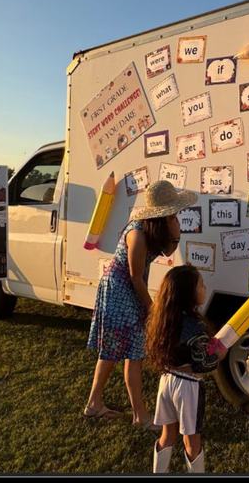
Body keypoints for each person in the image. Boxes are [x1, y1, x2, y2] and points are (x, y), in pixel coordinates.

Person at [83, 180, 197, 431]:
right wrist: (152, 308)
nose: (176, 216)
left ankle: (94, 404)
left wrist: (176, 234)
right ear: (162, 214)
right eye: (174, 214)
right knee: (130, 353)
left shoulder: (153, 231)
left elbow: (167, 253)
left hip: (128, 290)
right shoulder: (137, 234)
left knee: (115, 351)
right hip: (119, 292)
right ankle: (140, 417)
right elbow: (135, 276)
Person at [147, 265, 228, 473]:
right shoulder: (195, 326)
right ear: (188, 293)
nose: (204, 287)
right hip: (188, 387)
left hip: (166, 382)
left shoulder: (166, 320)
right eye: (200, 284)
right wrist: (219, 354)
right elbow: (203, 363)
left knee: (167, 435)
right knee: (192, 442)